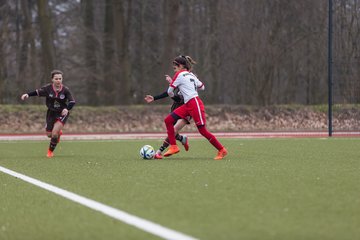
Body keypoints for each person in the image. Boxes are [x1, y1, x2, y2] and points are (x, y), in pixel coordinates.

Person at [162, 55, 228, 160]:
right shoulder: (191, 75)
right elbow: (202, 87)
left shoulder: (179, 75)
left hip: (195, 103)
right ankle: (173, 147)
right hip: (188, 104)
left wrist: (174, 97)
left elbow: (169, 91)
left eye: (175, 66)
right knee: (168, 120)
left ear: (181, 66)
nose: (174, 69)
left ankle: (222, 150)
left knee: (202, 131)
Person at [21, 70, 76, 158]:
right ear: (52, 80)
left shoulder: (65, 90)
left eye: (60, 79)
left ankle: (50, 152)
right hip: (51, 113)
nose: (58, 80)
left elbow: (72, 101)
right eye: (56, 79)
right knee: (49, 135)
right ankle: (58, 133)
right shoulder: (47, 88)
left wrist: (67, 109)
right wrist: (27, 95)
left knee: (54, 134)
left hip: (62, 113)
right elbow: (37, 92)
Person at [144, 88, 190, 159]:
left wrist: (172, 95)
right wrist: (154, 98)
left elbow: (179, 99)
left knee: (174, 130)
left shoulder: (190, 84)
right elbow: (169, 92)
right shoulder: (180, 79)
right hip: (176, 109)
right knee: (172, 131)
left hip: (188, 109)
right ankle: (182, 139)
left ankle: (158, 152)